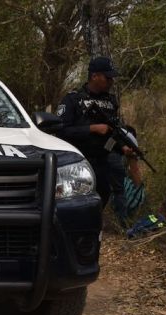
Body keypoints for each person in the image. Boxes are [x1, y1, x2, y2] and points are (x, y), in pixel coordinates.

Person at [55, 56, 138, 224]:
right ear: (94, 76)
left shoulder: (110, 101)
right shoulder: (73, 99)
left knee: (104, 192)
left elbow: (112, 133)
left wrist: (122, 148)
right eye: (107, 77)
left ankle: (96, 225)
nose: (111, 81)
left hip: (102, 158)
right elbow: (61, 130)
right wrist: (92, 128)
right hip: (77, 160)